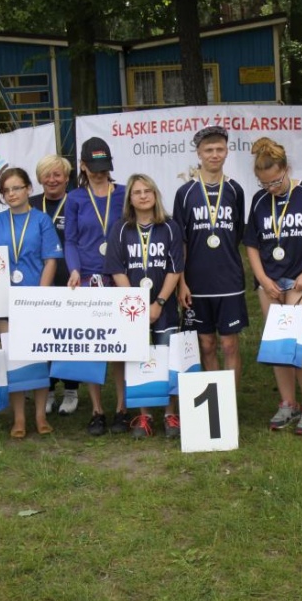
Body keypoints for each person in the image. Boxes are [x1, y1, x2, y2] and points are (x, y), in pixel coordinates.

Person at [243, 137, 302, 435]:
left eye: (276, 181)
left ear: (286, 169)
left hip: (301, 281)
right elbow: (252, 244)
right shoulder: (259, 201)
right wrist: (262, 279)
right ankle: (287, 403)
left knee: (298, 343)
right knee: (278, 345)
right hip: (270, 281)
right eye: (264, 183)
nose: (271, 188)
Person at [0, 168, 63, 438]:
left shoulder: (41, 220)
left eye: (16, 188)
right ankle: (19, 417)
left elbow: (50, 260)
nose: (11, 194)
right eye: (6, 190)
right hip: (5, 300)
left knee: (38, 356)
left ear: (29, 188)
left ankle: (40, 414)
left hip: (34, 298)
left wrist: (39, 297)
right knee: (13, 358)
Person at [104, 174, 184, 439]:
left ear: (155, 194)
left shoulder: (170, 227)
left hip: (164, 305)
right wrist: (136, 305)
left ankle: (170, 414)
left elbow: (175, 269)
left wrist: (159, 302)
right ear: (130, 198)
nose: (143, 196)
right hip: (132, 310)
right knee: (137, 358)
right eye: (137, 192)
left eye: (147, 191)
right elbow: (116, 269)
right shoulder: (120, 229)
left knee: (167, 357)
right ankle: (144, 414)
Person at [172, 126, 248, 386]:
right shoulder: (185, 193)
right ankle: (215, 397)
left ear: (227, 152)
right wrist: (182, 283)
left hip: (229, 279)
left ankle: (230, 400)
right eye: (209, 150)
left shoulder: (235, 190)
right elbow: (181, 241)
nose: (214, 155)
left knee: (229, 344)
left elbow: (236, 233)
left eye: (219, 149)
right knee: (205, 343)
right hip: (197, 282)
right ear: (199, 153)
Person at [64, 137, 129, 436]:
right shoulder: (75, 198)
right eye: (94, 168)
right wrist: (74, 269)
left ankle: (122, 409)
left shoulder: (124, 194)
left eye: (105, 168)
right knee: (92, 345)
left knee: (119, 345)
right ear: (83, 166)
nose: (100, 173)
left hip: (119, 276)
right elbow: (70, 240)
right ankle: (97, 410)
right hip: (89, 277)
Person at [30, 154, 80, 414]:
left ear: (67, 178)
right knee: (43, 337)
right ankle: (47, 389)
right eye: (46, 175)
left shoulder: (77, 202)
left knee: (70, 336)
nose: (52, 180)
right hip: (39, 280)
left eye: (57, 174)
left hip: (70, 279)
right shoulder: (30, 204)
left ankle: (71, 390)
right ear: (39, 178)